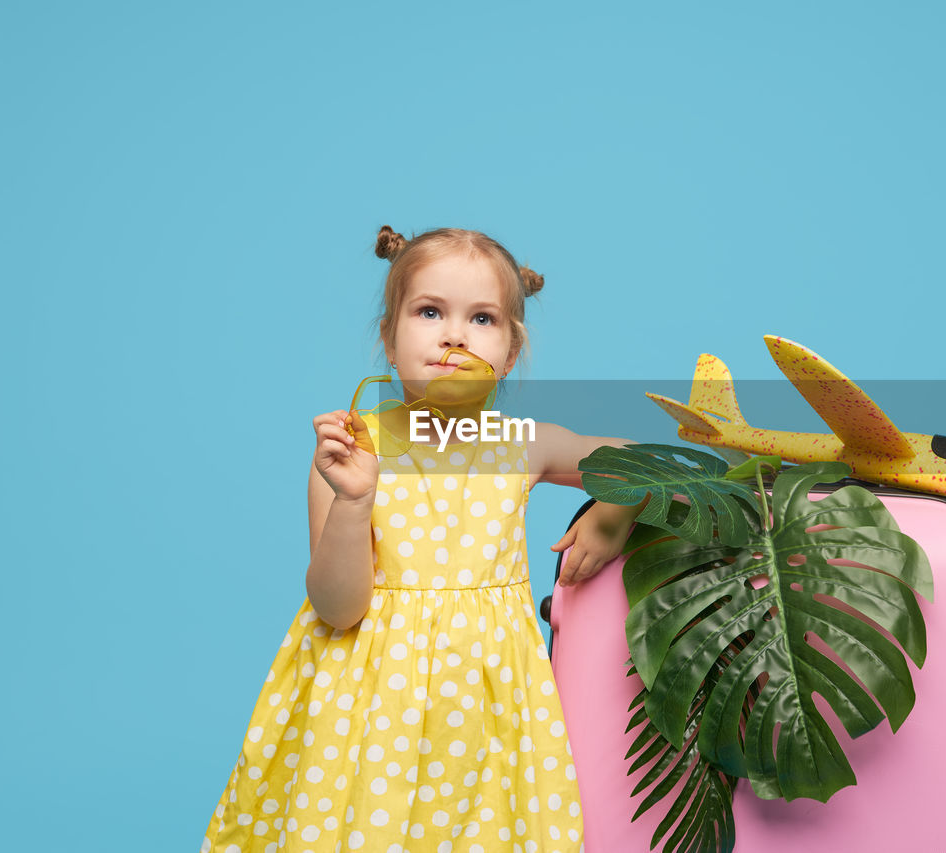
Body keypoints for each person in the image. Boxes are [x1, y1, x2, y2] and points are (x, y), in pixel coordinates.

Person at [202, 226, 646, 853]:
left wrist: (610, 515)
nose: (454, 335)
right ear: (389, 336)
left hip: (486, 706)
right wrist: (355, 499)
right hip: (366, 703)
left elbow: (648, 464)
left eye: (482, 318)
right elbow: (337, 606)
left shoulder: (525, 445)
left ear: (510, 352)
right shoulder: (354, 450)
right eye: (430, 311)